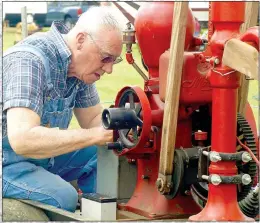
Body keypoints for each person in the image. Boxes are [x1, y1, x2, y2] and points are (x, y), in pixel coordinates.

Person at [3, 6, 123, 212]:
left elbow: (94, 119)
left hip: (41, 156)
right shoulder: (29, 61)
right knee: (63, 196)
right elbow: (22, 140)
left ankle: (99, 212)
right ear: (81, 40)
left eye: (114, 60)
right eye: (105, 58)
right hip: (6, 161)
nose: (109, 69)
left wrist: (122, 129)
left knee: (106, 155)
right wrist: (96, 135)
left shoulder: (80, 70)